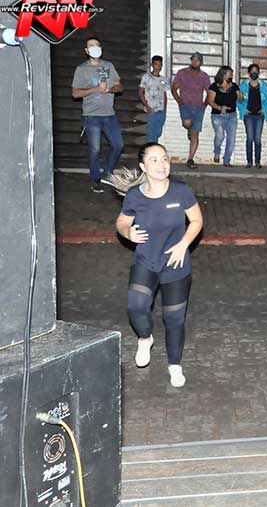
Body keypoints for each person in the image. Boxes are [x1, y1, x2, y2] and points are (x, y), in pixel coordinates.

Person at [110, 143, 203, 387]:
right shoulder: (135, 196)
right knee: (136, 306)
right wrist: (127, 232)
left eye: (164, 159)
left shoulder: (181, 191)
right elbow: (121, 222)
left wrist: (183, 244)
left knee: (174, 320)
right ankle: (145, 338)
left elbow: (196, 220)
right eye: (154, 160)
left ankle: (175, 366)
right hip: (146, 261)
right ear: (143, 166)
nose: (161, 164)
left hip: (176, 264)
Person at [71, 36, 124, 193]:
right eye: (91, 46)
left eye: (97, 45)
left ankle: (107, 173)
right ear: (86, 51)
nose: (94, 48)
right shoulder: (81, 69)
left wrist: (110, 89)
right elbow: (75, 93)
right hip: (91, 116)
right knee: (94, 149)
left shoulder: (109, 66)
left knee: (118, 145)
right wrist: (96, 89)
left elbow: (119, 86)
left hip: (109, 114)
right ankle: (96, 179)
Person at [171, 52, 210, 169]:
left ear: (201, 62)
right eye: (193, 60)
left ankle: (190, 159)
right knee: (187, 123)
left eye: (197, 60)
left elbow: (209, 92)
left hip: (198, 107)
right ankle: (189, 129)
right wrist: (179, 102)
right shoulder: (182, 73)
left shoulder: (204, 76)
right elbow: (174, 89)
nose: (194, 62)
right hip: (185, 105)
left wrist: (205, 104)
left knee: (195, 134)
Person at [236, 63, 267, 169]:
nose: (254, 73)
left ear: (259, 72)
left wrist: (264, 109)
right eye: (252, 71)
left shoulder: (263, 85)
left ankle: (257, 162)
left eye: (256, 71)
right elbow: (238, 100)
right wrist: (243, 110)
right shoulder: (244, 85)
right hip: (248, 115)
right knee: (249, 138)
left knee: (257, 139)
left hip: (259, 115)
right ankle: (249, 162)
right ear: (249, 72)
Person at [207, 65, 243, 167]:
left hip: (232, 115)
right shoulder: (214, 86)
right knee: (220, 135)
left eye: (232, 74)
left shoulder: (234, 86)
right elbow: (210, 101)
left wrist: (241, 96)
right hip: (218, 115)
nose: (232, 76)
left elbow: (240, 100)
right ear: (223, 75)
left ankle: (226, 160)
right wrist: (220, 108)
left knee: (231, 139)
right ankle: (217, 151)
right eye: (230, 74)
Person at [138, 55, 170, 144]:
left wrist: (165, 110)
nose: (158, 67)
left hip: (161, 110)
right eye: (156, 64)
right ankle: (151, 150)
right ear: (152, 65)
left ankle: (153, 147)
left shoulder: (164, 79)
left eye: (160, 65)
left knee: (158, 133)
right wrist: (147, 106)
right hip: (151, 109)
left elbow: (164, 94)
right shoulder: (146, 77)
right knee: (151, 135)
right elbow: (140, 92)